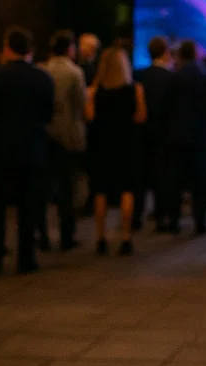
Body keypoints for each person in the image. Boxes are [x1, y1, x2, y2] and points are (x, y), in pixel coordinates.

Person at [0, 26, 57, 274]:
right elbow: (47, 115)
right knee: (28, 208)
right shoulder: (42, 78)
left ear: (6, 48)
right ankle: (27, 257)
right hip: (31, 148)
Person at [86, 47, 147, 255]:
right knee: (127, 189)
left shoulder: (95, 92)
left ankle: (101, 237)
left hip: (102, 145)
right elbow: (140, 117)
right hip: (127, 144)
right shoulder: (135, 89)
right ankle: (126, 237)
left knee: (100, 190)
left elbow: (90, 116)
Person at [41, 33, 87, 251]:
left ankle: (42, 233)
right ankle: (67, 235)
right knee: (68, 187)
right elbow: (81, 105)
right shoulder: (74, 72)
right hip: (69, 135)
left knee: (46, 186)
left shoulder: (43, 70)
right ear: (69, 49)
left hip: (47, 135)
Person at [168, 40, 206, 234]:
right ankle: (200, 221)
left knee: (175, 180)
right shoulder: (203, 75)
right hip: (199, 134)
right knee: (199, 182)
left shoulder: (176, 76)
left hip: (178, 134)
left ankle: (174, 221)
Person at [133, 37, 175, 232]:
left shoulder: (139, 75)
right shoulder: (171, 78)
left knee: (139, 176)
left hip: (141, 133)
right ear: (165, 52)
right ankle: (160, 217)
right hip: (164, 132)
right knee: (162, 175)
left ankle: (136, 216)